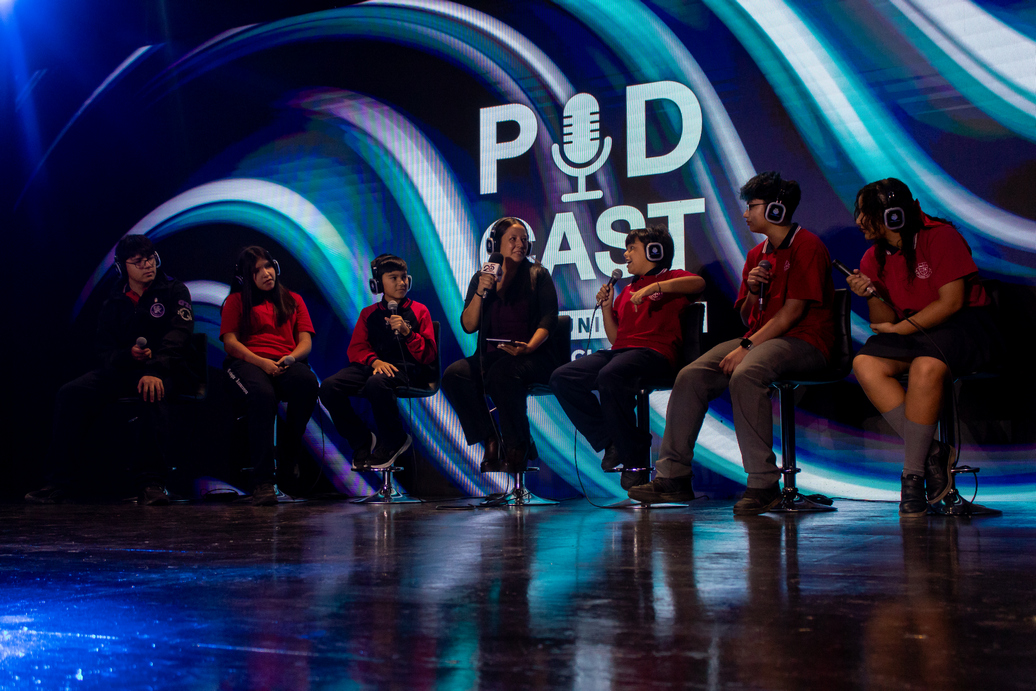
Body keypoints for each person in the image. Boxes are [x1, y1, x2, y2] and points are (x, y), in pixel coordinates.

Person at [627, 172, 835, 514]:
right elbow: (747, 317)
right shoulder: (756, 254)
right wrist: (753, 291)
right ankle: (673, 478)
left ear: (776, 210)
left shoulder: (807, 245)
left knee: (747, 372)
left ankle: (763, 484)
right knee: (691, 376)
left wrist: (746, 347)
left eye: (752, 206)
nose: (745, 213)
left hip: (805, 340)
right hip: (761, 338)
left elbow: (792, 314)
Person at [846, 178, 1003, 516]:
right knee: (865, 363)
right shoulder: (873, 257)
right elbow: (882, 320)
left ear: (892, 215)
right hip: (914, 329)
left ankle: (912, 476)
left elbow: (951, 302)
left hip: (963, 325)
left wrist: (899, 328)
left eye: (865, 212)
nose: (858, 221)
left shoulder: (941, 237)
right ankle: (932, 452)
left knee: (926, 366)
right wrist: (871, 294)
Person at [25, 234, 195, 506]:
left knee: (151, 391)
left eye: (150, 258)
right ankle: (58, 482)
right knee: (71, 394)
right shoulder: (114, 299)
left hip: (164, 370)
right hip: (124, 371)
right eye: (138, 261)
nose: (148, 265)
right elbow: (104, 350)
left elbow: (179, 336)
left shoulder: (174, 290)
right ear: (122, 266)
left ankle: (151, 483)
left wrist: (155, 368)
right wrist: (127, 355)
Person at [549, 225, 705, 489]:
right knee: (562, 377)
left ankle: (632, 453)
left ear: (654, 251)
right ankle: (612, 441)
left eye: (632, 248)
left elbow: (698, 283)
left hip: (656, 353)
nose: (626, 254)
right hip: (622, 352)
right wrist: (607, 308)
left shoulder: (672, 278)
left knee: (611, 374)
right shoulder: (626, 291)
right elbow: (615, 338)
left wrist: (656, 287)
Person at [441, 217, 560, 473]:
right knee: (454, 375)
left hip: (533, 356)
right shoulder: (481, 278)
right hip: (493, 356)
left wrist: (528, 347)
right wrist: (480, 291)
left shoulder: (538, 274)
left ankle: (517, 445)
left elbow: (549, 319)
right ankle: (490, 438)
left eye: (524, 240)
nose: (520, 245)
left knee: (502, 374)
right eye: (513, 239)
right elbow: (469, 325)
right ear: (494, 245)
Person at [220, 246, 319, 506]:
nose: (267, 273)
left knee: (308, 383)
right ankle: (263, 481)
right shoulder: (235, 301)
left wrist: (291, 358)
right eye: (258, 270)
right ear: (245, 276)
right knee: (262, 395)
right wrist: (261, 362)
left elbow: (305, 341)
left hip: (285, 361)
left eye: (268, 266)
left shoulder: (293, 299)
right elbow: (230, 343)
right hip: (247, 362)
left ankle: (289, 453)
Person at [319, 254, 437, 470]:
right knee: (329, 387)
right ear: (378, 284)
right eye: (394, 278)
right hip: (373, 366)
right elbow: (356, 349)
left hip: (407, 370)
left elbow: (429, 355)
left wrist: (408, 333)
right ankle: (361, 439)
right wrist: (374, 362)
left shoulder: (420, 311)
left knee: (377, 383)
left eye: (404, 277)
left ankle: (394, 440)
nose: (401, 283)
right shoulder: (369, 314)